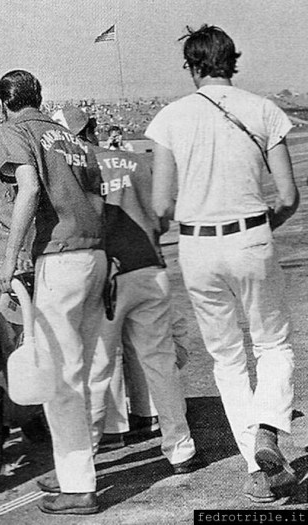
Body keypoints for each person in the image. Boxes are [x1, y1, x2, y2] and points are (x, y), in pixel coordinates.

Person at [147, 24, 299, 503]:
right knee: (273, 344)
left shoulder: (170, 119)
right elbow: (290, 196)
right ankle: (271, 426)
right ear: (233, 61)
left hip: (196, 246)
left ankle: (259, 468)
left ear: (192, 67)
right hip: (252, 237)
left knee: (228, 359)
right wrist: (258, 228)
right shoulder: (264, 110)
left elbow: (162, 205)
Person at [35, 107, 202, 494]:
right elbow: (162, 214)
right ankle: (181, 448)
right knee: (160, 363)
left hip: (109, 276)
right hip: (150, 268)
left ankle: (84, 459)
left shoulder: (78, 169)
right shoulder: (135, 159)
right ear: (94, 127)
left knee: (97, 369)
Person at [0, 70, 105, 515]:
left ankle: (78, 485)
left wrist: (10, 256)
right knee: (85, 371)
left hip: (59, 258)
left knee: (59, 379)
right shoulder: (67, 135)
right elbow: (97, 198)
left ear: (2, 103)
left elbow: (28, 189)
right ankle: (78, 468)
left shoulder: (13, 130)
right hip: (94, 254)